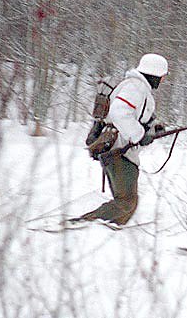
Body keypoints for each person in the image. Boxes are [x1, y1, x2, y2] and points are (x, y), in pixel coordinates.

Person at [71, 53, 168, 226]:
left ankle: (106, 230)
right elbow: (119, 113)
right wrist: (139, 135)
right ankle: (83, 225)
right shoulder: (136, 87)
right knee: (126, 202)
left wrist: (153, 128)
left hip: (120, 150)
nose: (162, 81)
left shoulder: (136, 87)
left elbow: (135, 116)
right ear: (154, 74)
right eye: (161, 77)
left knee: (127, 204)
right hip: (119, 151)